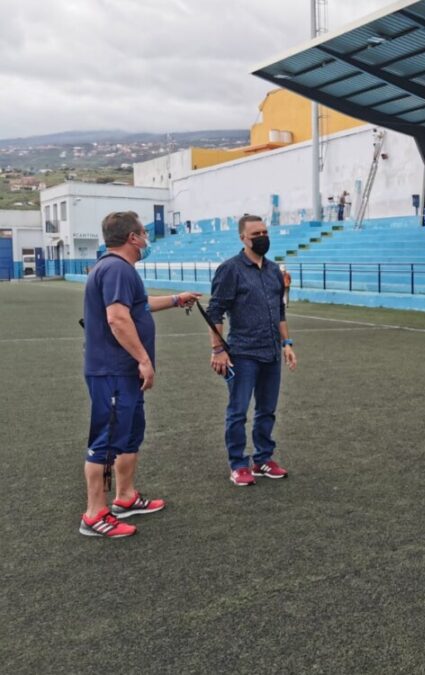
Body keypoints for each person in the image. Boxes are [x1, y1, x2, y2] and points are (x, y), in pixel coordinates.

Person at [80, 211, 200, 537]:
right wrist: (144, 360)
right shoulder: (117, 268)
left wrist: (176, 300)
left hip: (121, 372)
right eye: (144, 233)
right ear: (133, 238)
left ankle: (125, 497)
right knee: (106, 441)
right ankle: (94, 514)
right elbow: (118, 318)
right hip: (114, 371)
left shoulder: (119, 270)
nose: (147, 239)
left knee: (129, 435)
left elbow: (139, 306)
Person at [206, 214, 297, 486]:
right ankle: (238, 464)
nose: (261, 238)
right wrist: (218, 350)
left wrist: (287, 344)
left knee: (267, 410)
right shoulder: (230, 269)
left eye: (265, 232)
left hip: (271, 352)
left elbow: (280, 311)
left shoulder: (273, 272)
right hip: (243, 353)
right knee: (238, 411)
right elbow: (215, 312)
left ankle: (263, 459)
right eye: (255, 234)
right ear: (242, 238)